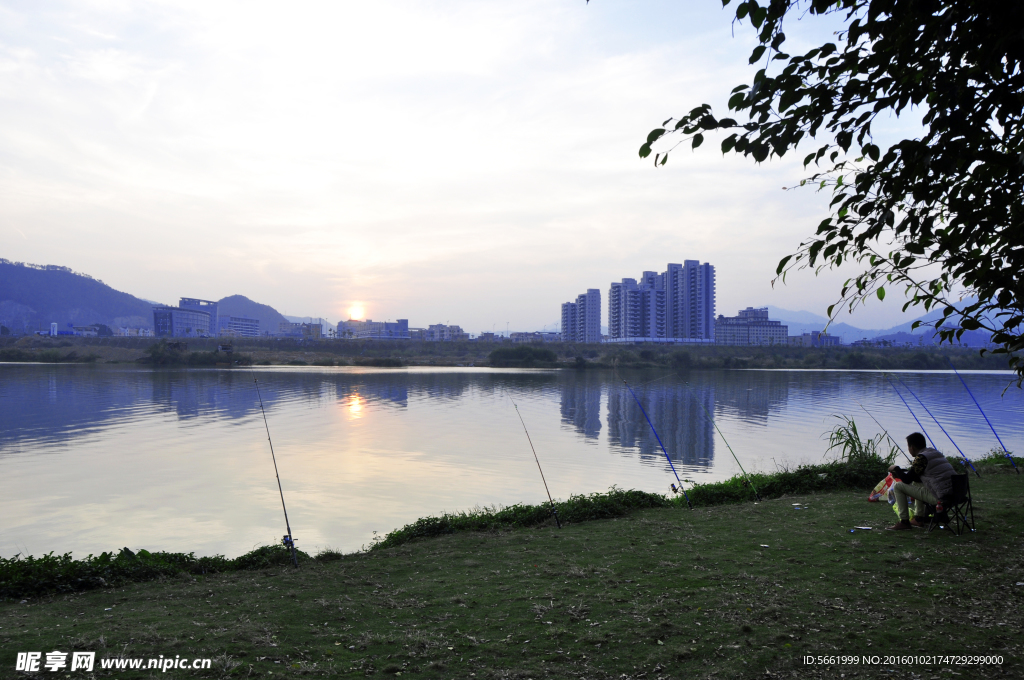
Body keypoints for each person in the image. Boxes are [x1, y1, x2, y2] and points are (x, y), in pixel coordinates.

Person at [885, 432, 956, 530]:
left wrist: (896, 469)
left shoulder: (921, 458)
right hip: (956, 493)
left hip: (941, 497)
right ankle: (918, 518)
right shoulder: (934, 453)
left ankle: (904, 522)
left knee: (898, 486)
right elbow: (915, 478)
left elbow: (906, 480)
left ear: (912, 447)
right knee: (916, 483)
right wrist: (902, 473)